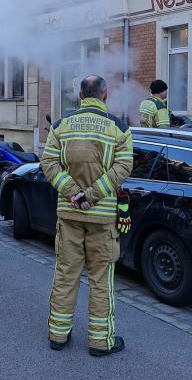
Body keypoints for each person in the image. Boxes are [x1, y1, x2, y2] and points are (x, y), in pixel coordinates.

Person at [41, 75, 133, 357]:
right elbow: (124, 167)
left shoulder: (60, 126)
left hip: (69, 214)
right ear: (105, 95)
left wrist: (73, 193)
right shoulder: (119, 128)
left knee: (66, 274)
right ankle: (100, 342)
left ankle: (58, 335)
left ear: (80, 95)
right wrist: (93, 195)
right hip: (102, 219)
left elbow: (48, 162)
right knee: (101, 279)